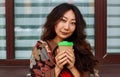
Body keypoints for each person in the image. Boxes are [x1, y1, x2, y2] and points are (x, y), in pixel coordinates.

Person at [29, 3, 99, 77]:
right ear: (54, 21)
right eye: (63, 20)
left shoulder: (82, 49)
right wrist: (58, 68)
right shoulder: (41, 49)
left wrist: (72, 67)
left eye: (72, 23)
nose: (66, 27)